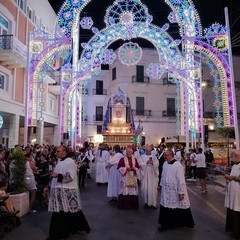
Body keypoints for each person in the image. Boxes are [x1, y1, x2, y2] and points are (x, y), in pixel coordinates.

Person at [47, 145, 90, 240]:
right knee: (69, 212)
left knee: (61, 214)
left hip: (66, 192)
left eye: (58, 151)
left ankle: (58, 234)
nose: (56, 153)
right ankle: (73, 228)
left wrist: (57, 175)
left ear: (64, 152)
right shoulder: (61, 161)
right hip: (60, 191)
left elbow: (70, 177)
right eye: (56, 151)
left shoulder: (70, 162)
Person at [158, 149, 194, 231]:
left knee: (176, 206)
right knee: (166, 206)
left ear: (171, 156)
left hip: (174, 190)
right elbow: (163, 175)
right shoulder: (165, 164)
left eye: (166, 155)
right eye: (164, 155)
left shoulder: (178, 165)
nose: (165, 157)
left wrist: (181, 192)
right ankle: (166, 223)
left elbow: (181, 179)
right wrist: (160, 185)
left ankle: (175, 223)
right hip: (166, 189)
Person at [225, 150, 240, 239]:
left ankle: (237, 232)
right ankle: (233, 229)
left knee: (237, 211)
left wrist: (232, 177)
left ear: (236, 156)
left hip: (238, 193)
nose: (231, 158)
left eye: (232, 156)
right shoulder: (234, 165)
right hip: (233, 192)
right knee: (233, 210)